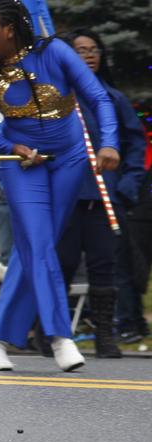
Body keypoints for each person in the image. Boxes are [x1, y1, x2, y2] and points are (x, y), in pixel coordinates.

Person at [0, 0, 120, 372]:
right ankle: (59, 335)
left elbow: (97, 96)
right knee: (38, 243)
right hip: (23, 164)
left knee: (36, 248)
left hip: (68, 159)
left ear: (9, 29)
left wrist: (110, 141)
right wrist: (10, 146)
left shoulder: (55, 53)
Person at [53, 29, 147, 357]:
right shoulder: (57, 97)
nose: (90, 55)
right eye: (81, 50)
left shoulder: (112, 98)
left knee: (104, 265)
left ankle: (104, 335)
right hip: (66, 197)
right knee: (61, 265)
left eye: (94, 50)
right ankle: (52, 332)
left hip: (105, 197)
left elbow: (135, 143)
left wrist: (127, 185)